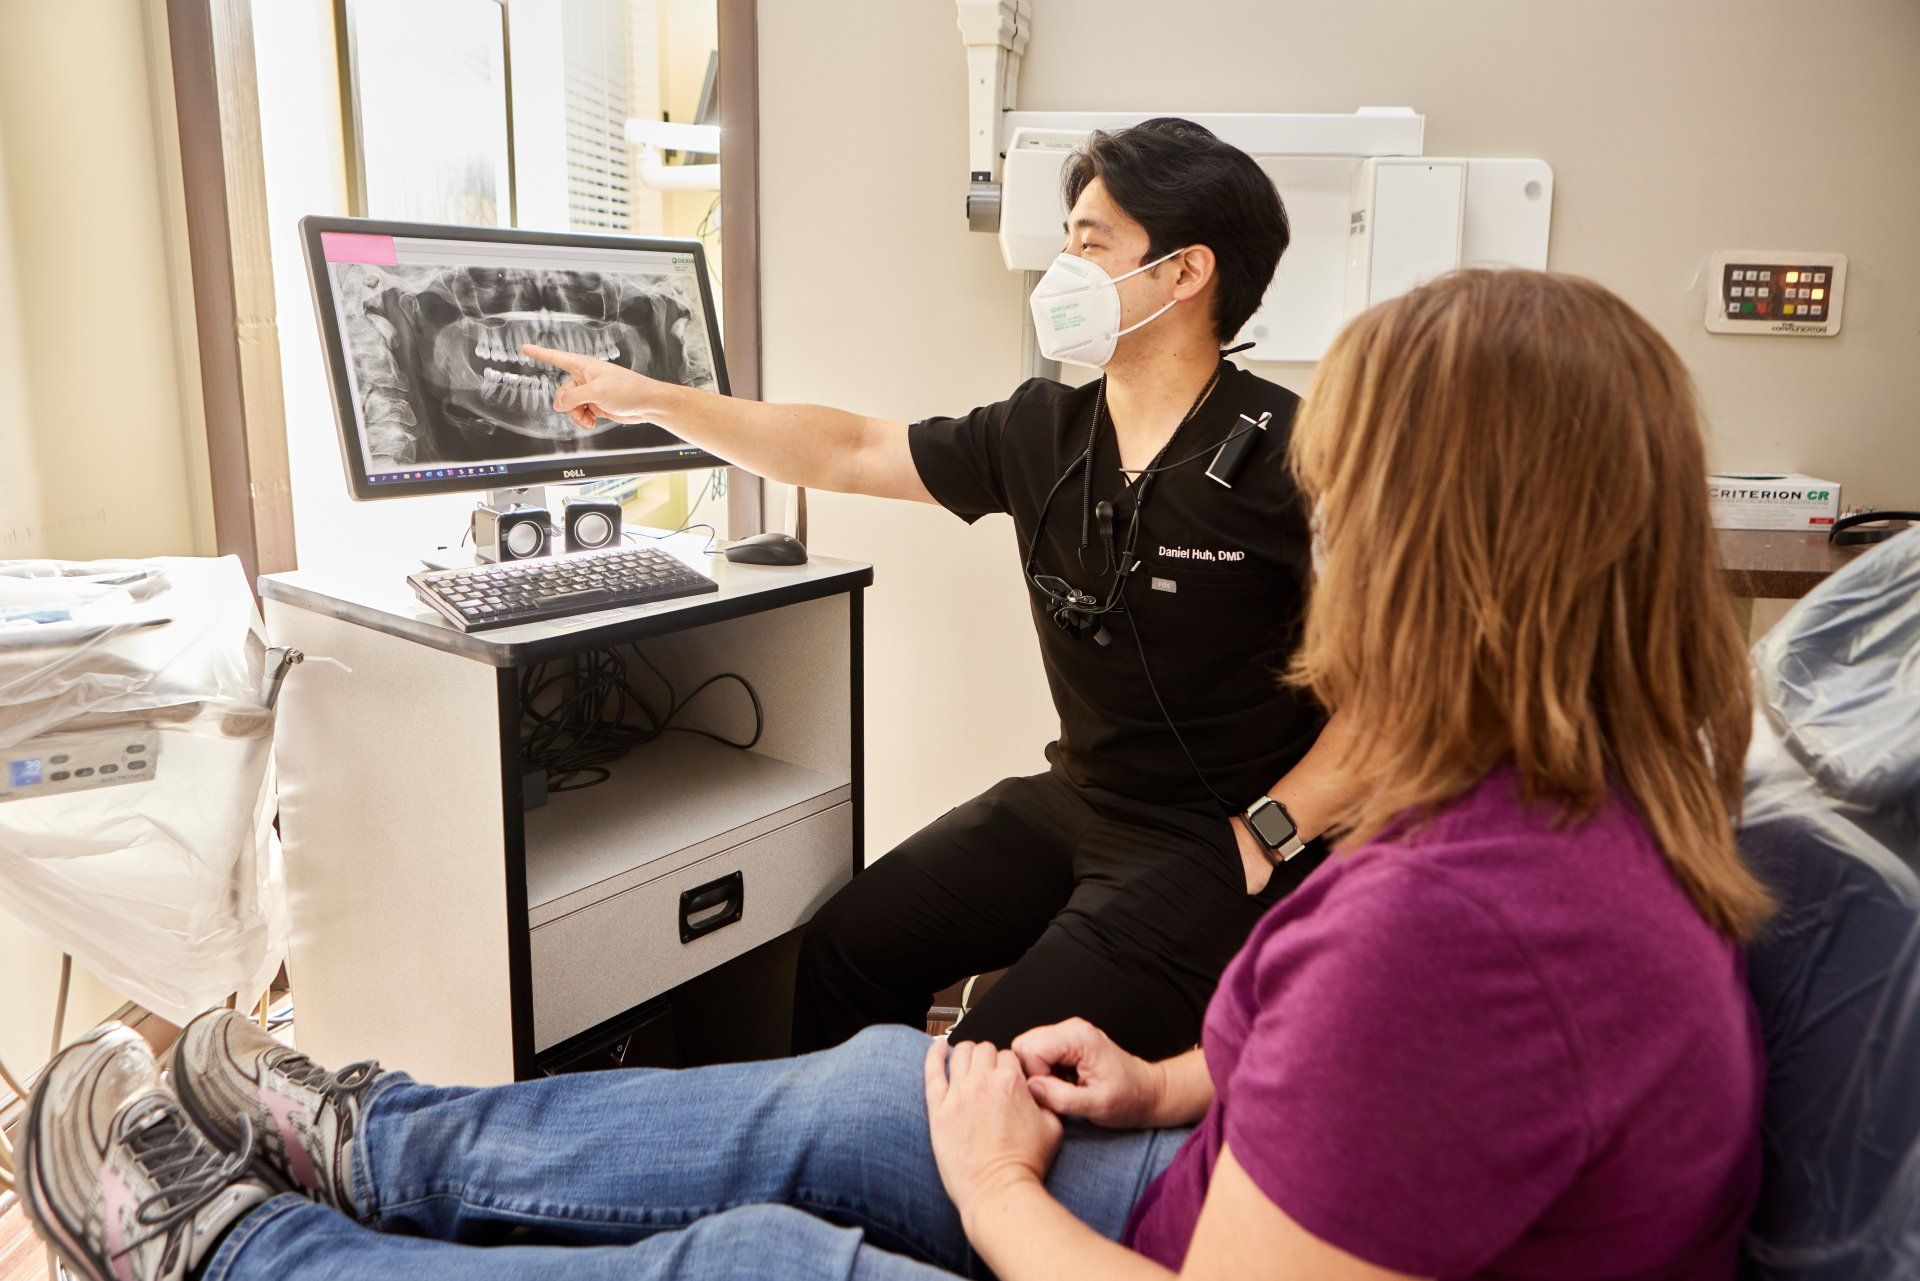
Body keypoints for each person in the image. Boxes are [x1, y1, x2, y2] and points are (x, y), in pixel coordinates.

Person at [22, 269, 1771, 1281]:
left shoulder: (1463, 928)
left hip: (1188, 1182)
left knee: (762, 1263)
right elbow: (854, 446)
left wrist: (1008, 1192)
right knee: (881, 1075)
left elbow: (1400, 1033)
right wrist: (1175, 1081)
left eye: (1355, 490)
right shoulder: (1566, 782)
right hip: (1196, 1134)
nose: (1326, 520)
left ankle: (240, 1256)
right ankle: (379, 1138)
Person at [523, 117, 1359, 1059]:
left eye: (1092, 244)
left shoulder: (1304, 453)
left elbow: (1402, 695)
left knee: (987, 1061)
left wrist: (1267, 834)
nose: (1065, 270)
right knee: (847, 947)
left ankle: (922, 1167)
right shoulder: (1042, 431)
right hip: (1079, 795)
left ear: (1184, 272)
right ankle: (841, 1175)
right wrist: (656, 401)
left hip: (1212, 837)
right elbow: (850, 447)